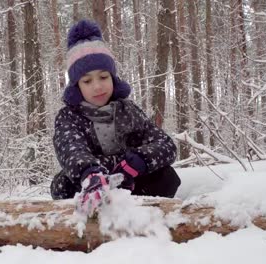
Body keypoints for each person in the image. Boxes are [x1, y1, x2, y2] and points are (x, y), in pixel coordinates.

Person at [51, 20, 181, 204]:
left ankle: (141, 213)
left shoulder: (128, 110)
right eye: (87, 81)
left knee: (167, 176)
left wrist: (139, 160)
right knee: (62, 185)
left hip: (133, 181)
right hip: (90, 182)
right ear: (76, 87)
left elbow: (165, 144)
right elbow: (71, 149)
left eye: (103, 77)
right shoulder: (69, 117)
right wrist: (90, 172)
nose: (97, 86)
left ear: (113, 78)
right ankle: (91, 215)